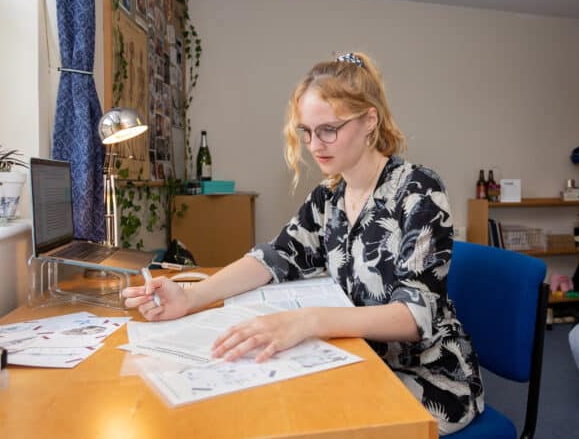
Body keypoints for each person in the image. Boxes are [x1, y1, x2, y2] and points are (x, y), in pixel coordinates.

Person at [123, 52, 484, 434]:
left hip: (429, 377)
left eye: (328, 129)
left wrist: (309, 322)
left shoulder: (418, 191)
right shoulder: (329, 196)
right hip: (358, 356)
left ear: (369, 120)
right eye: (306, 132)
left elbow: (414, 316)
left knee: (300, 416)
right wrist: (193, 295)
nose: (315, 144)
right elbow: (272, 257)